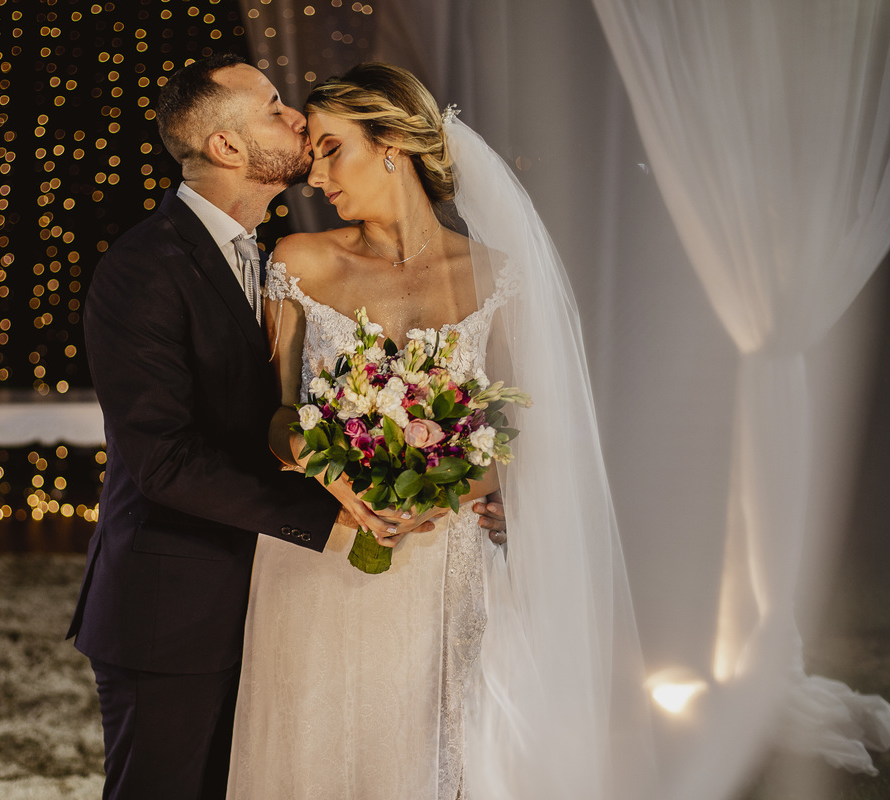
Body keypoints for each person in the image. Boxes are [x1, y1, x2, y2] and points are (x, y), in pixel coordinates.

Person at [66, 54, 507, 800]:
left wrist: (486, 486)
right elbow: (162, 460)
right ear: (226, 146)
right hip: (178, 607)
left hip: (289, 588)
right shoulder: (145, 267)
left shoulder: (264, 255)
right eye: (276, 107)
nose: (297, 120)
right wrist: (332, 507)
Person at [228, 63, 653, 799]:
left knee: (443, 750)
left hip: (447, 558)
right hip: (323, 546)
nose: (315, 177)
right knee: (315, 748)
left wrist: (478, 487)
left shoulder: (497, 276)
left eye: (331, 149)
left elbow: (523, 431)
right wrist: (329, 470)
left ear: (392, 144)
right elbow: (274, 416)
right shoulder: (299, 262)